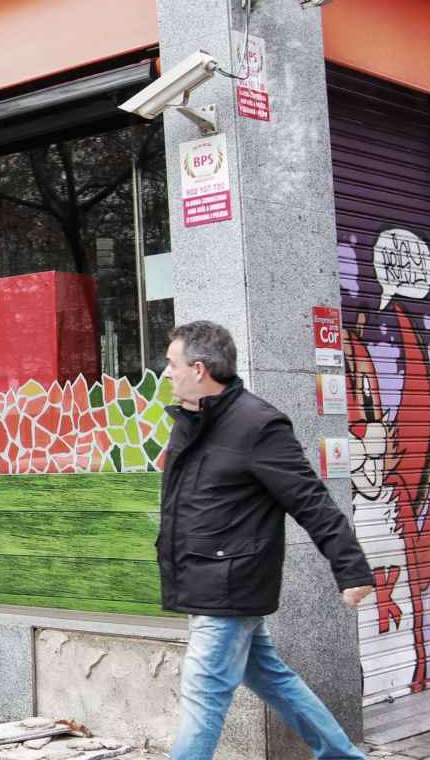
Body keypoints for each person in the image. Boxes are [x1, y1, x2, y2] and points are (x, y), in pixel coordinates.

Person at [159, 321, 375, 760]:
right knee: (272, 677)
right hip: (205, 578)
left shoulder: (257, 425)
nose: (166, 373)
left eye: (172, 364)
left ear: (199, 369)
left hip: (228, 585)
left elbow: (311, 500)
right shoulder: (192, 421)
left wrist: (350, 568)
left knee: (203, 696)